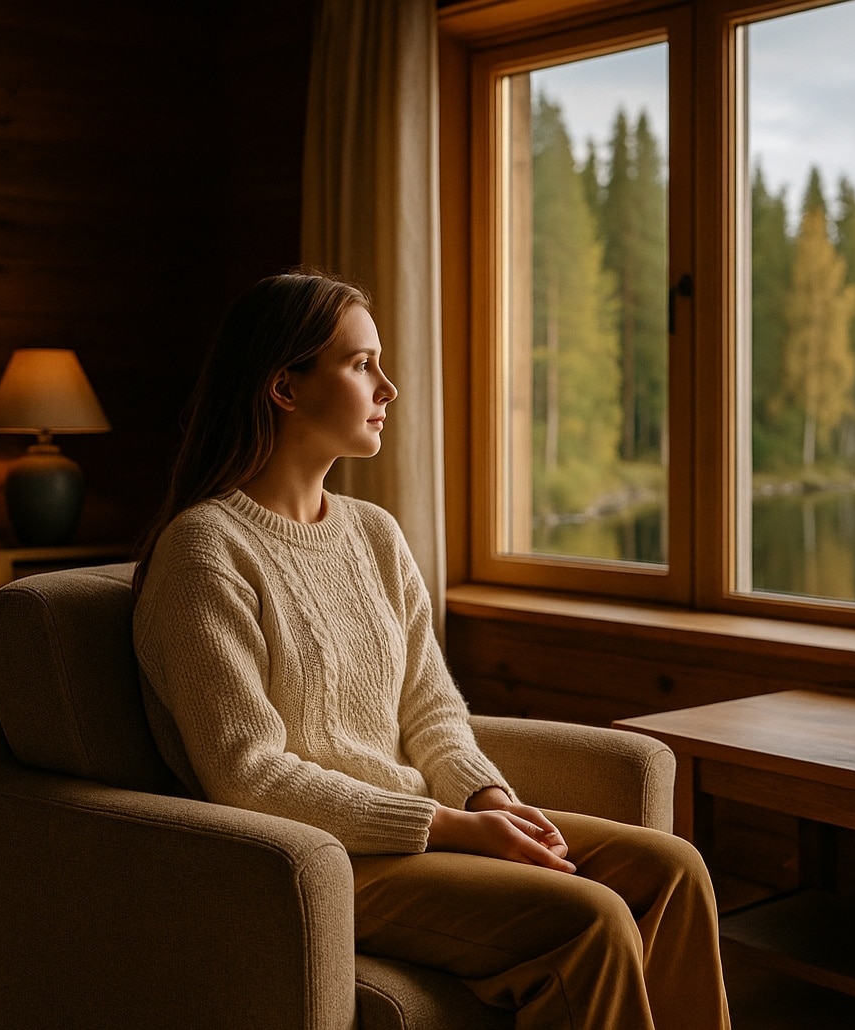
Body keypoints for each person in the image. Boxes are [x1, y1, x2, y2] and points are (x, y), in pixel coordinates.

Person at [131, 270, 731, 1029]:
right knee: (588, 918)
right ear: (285, 387)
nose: (389, 386)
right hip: (319, 861)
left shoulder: (373, 533)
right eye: (360, 364)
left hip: (420, 827)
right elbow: (248, 775)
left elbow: (431, 709)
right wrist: (447, 828)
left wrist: (491, 801)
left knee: (675, 871)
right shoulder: (205, 552)